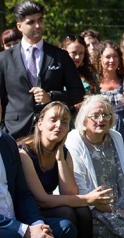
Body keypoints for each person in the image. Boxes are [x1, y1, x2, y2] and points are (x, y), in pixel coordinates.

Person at [0, 85, 77, 237]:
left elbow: (23, 193)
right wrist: (24, 230)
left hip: (19, 220)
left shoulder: (7, 143)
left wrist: (38, 224)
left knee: (65, 228)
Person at [66, 95, 124, 238]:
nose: (101, 119)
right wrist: (118, 212)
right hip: (93, 211)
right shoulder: (74, 140)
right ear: (84, 119)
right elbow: (81, 191)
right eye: (95, 115)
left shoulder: (116, 137)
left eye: (105, 114)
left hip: (120, 209)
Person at [0, 0, 85, 139]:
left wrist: (51, 97)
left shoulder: (60, 56)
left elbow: (78, 92)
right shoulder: (3, 59)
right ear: (19, 26)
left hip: (52, 132)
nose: (37, 25)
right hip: (15, 133)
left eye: (40, 20)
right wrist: (3, 131)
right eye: (31, 22)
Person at [18, 102, 98, 238]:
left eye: (64, 122)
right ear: (40, 123)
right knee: (67, 212)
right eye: (53, 120)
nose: (59, 125)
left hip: (47, 206)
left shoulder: (64, 153)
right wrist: (88, 199)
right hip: (28, 210)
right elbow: (41, 199)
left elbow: (70, 193)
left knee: (82, 211)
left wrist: (60, 158)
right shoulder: (24, 153)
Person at [93, 41, 124, 143]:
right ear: (100, 59)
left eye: (115, 56)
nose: (112, 60)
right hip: (99, 130)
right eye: (108, 57)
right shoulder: (94, 83)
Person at [61, 35, 99, 101]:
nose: (78, 57)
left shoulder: (90, 75)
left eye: (81, 53)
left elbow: (99, 98)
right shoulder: (54, 74)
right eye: (74, 53)